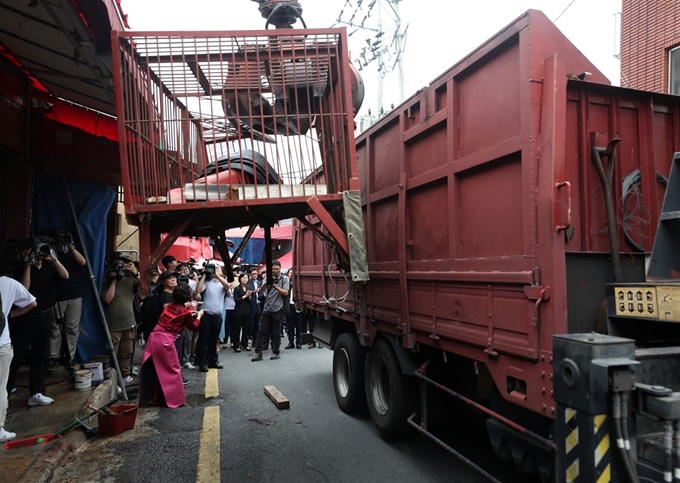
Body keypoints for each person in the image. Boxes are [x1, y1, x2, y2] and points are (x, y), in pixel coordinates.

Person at [7, 244, 69, 407]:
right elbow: (24, 290)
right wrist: (28, 264)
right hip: (26, 317)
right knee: (17, 356)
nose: (39, 255)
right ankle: (6, 390)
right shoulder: (22, 269)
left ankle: (36, 392)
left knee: (40, 356)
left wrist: (54, 259)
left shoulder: (49, 267)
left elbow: (66, 276)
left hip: (46, 314)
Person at [139, 285, 202, 408]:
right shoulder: (184, 312)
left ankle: (151, 398)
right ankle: (175, 400)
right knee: (173, 370)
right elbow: (193, 326)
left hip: (154, 337)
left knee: (153, 369)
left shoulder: (170, 306)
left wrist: (190, 314)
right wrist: (199, 316)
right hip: (166, 341)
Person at [0, 276, 37, 442]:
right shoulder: (8, 283)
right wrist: (9, 315)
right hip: (2, 343)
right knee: (1, 388)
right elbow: (32, 303)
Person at [47, 239, 86, 370]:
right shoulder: (51, 254)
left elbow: (83, 262)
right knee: (55, 327)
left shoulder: (73, 253)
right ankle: (53, 356)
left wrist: (71, 246)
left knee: (72, 328)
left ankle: (70, 356)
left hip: (75, 295)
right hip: (57, 296)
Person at [102, 254, 140, 385]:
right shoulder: (106, 281)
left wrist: (136, 272)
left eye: (124, 264)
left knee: (127, 353)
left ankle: (125, 376)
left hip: (129, 323)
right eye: (119, 264)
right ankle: (112, 380)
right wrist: (114, 280)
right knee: (112, 354)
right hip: (114, 325)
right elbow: (107, 299)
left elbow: (145, 291)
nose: (122, 267)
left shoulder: (130, 281)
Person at [251, 260, 289, 362]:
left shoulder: (284, 279)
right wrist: (267, 282)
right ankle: (258, 353)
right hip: (267, 309)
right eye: (273, 269)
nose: (275, 271)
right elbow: (261, 289)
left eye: (277, 269)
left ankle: (276, 352)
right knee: (262, 331)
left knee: (276, 333)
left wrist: (276, 287)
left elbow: (285, 293)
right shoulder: (268, 278)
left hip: (278, 309)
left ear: (280, 269)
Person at [195, 264, 230, 372]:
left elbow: (227, 287)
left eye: (218, 268)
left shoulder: (222, 283)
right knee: (204, 341)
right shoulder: (206, 282)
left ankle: (213, 362)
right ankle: (203, 363)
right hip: (206, 315)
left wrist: (218, 276)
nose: (215, 270)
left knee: (214, 341)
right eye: (214, 268)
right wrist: (205, 275)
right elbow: (199, 290)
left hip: (217, 316)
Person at [231, 273, 252, 352]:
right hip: (238, 311)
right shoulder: (237, 288)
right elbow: (236, 300)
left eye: (246, 277)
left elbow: (250, 300)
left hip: (247, 310)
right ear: (240, 279)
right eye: (243, 277)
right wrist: (245, 296)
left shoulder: (249, 287)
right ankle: (236, 345)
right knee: (237, 329)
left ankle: (245, 344)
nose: (244, 279)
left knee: (246, 329)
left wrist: (249, 296)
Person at [285, 268, 302, 350]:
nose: (291, 275)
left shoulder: (298, 284)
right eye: (289, 273)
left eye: (292, 273)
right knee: (290, 325)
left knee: (298, 325)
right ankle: (290, 342)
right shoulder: (286, 284)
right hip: (289, 306)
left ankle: (298, 342)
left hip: (297, 306)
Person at [247, 267, 263, 344]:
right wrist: (254, 292)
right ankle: (248, 337)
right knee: (250, 323)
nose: (254, 275)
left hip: (258, 304)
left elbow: (262, 292)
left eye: (256, 274)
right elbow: (248, 292)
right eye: (253, 274)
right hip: (251, 304)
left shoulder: (260, 282)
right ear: (250, 274)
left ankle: (255, 339)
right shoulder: (248, 283)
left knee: (257, 323)